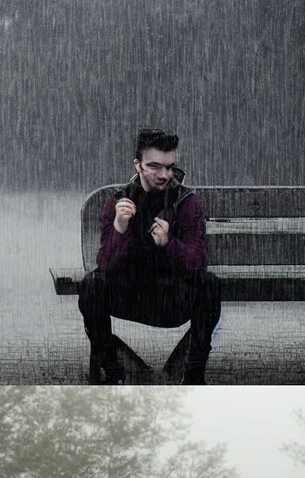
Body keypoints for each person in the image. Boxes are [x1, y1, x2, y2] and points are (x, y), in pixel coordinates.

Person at [78, 127, 223, 382]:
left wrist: (169, 244)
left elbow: (198, 259)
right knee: (91, 285)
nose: (164, 174)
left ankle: (193, 374)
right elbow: (105, 264)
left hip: (172, 296)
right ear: (138, 166)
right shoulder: (119, 201)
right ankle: (113, 370)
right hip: (130, 294)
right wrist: (119, 229)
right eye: (154, 166)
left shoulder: (186, 202)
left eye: (169, 167)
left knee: (209, 285)